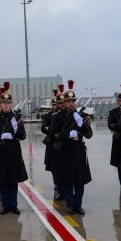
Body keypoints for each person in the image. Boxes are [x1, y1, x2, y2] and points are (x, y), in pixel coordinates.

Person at [49, 81, 93, 216]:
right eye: (68, 101)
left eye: (73, 101)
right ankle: (70, 204)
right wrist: (68, 135)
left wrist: (83, 125)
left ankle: (78, 205)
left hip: (78, 151)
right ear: (65, 102)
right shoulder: (58, 117)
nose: (71, 103)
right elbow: (53, 135)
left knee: (80, 181)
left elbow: (89, 135)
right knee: (68, 181)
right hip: (65, 152)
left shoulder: (82, 116)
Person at [0, 91, 28, 214]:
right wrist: (1, 135)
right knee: (3, 180)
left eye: (8, 103)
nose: (6, 105)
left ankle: (13, 205)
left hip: (14, 152)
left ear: (11, 104)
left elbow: (23, 136)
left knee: (14, 180)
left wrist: (16, 129)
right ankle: (5, 205)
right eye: (3, 103)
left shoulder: (17, 118)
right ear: (0, 104)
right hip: (0, 153)